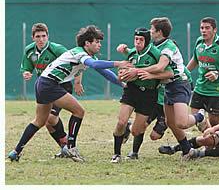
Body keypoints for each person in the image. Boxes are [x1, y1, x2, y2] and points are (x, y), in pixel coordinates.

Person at [8, 25, 130, 162]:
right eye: (97, 42)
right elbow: (95, 65)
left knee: (40, 121)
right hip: (49, 84)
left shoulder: (86, 54)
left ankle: (16, 151)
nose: (99, 45)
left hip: (42, 83)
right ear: (87, 43)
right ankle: (71, 147)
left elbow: (104, 72)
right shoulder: (80, 53)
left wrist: (122, 84)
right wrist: (118, 63)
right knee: (79, 111)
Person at [136, 17, 206, 161]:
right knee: (170, 123)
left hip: (180, 84)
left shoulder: (168, 46)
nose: (150, 32)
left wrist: (139, 72)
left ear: (159, 32)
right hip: (168, 86)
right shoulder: (154, 46)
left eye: (152, 30)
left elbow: (160, 67)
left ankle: (200, 116)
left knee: (182, 123)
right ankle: (188, 151)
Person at [117, 38, 194, 161]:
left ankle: (130, 127)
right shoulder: (155, 63)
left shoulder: (179, 70)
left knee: (155, 136)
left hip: (165, 104)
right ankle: (134, 152)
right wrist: (125, 50)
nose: (162, 55)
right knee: (140, 128)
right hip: (155, 100)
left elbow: (185, 82)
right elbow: (138, 56)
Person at [19, 23, 84, 158]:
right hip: (45, 86)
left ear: (48, 36)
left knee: (51, 118)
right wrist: (26, 73)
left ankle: (69, 146)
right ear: (33, 38)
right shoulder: (29, 51)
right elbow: (27, 67)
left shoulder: (57, 49)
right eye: (38, 36)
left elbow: (78, 61)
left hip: (61, 85)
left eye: (43, 36)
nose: (41, 39)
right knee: (48, 122)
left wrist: (77, 82)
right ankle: (65, 147)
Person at [111, 27, 174, 163]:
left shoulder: (155, 54)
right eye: (136, 39)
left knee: (136, 130)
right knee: (121, 122)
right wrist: (122, 76)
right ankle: (116, 154)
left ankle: (134, 153)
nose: (137, 42)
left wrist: (148, 74)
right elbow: (122, 73)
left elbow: (169, 73)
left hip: (149, 95)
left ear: (147, 41)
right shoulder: (132, 54)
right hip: (131, 91)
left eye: (141, 40)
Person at [187, 17, 219, 131]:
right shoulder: (199, 42)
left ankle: (216, 143)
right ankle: (209, 141)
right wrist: (185, 72)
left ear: (215, 30)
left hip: (218, 90)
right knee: (197, 118)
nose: (203, 31)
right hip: (200, 87)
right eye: (202, 28)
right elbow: (196, 59)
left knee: (214, 123)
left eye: (207, 28)